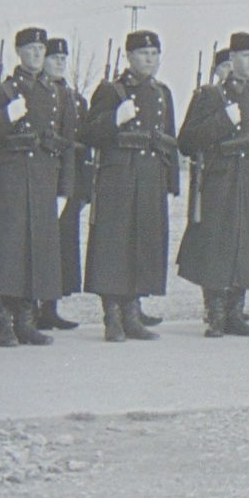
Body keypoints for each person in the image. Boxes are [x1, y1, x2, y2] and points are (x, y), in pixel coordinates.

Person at [0, 26, 75, 347]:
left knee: (36, 251)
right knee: (7, 252)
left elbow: (66, 143)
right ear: (19, 52)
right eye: (30, 49)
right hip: (10, 179)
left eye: (40, 50)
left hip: (43, 178)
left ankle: (27, 322)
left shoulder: (55, 93)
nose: (36, 55)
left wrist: (63, 189)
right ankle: (4, 323)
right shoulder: (3, 91)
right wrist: (6, 116)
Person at [177, 31, 249, 338]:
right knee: (217, 247)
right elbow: (187, 141)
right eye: (245, 56)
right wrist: (223, 119)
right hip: (220, 182)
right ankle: (215, 314)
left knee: (247, 245)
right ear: (232, 59)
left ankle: (236, 313)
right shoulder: (211, 96)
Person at [83, 30, 179, 343]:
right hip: (119, 177)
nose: (149, 59)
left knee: (142, 244)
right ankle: (112, 315)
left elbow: (169, 139)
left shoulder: (163, 93)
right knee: (114, 245)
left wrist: (171, 181)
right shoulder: (112, 91)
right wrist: (114, 118)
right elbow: (88, 133)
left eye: (155, 54)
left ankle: (133, 314)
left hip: (151, 176)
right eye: (143, 54)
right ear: (129, 56)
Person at [40, 36, 90, 331]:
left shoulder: (73, 98)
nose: (59, 63)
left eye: (63, 58)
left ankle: (50, 307)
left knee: (61, 248)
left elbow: (80, 146)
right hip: (40, 179)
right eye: (54, 57)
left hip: (67, 182)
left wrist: (81, 189)